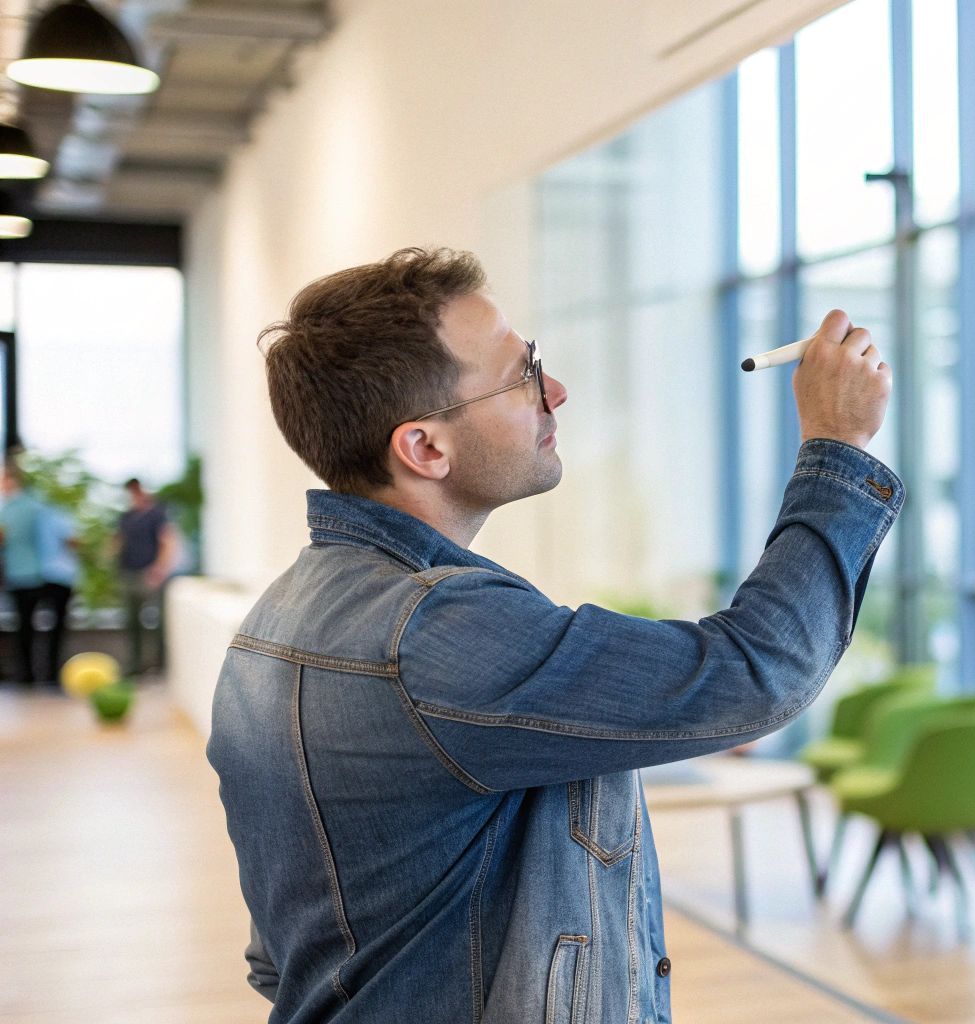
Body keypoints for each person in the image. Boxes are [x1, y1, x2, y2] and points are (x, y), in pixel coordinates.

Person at [206, 248, 897, 1023]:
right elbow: (756, 672)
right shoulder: (436, 636)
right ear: (424, 448)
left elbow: (283, 956)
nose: (556, 392)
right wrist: (838, 449)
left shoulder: (273, 624)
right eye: (523, 374)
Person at [0, 461, 77, 687]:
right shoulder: (40, 506)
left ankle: (28, 676)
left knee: (25, 627)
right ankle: (49, 675)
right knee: (47, 628)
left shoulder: (15, 509)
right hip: (47, 574)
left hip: (25, 575)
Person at [115, 478, 180, 675]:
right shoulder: (126, 517)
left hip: (150, 574)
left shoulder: (157, 515)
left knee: (159, 622)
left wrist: (160, 568)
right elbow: (118, 541)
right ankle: (136, 666)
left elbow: (167, 541)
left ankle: (160, 665)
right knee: (132, 622)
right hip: (129, 572)